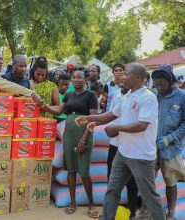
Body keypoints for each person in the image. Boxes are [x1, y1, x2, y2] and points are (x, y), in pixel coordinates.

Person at [75, 63, 166, 220]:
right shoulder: (126, 96)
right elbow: (111, 115)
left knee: (149, 196)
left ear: (137, 77)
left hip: (141, 156)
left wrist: (117, 128)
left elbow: (142, 125)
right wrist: (89, 118)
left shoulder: (148, 98)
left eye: (126, 74)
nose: (122, 77)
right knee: (112, 190)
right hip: (123, 153)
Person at [41, 68, 99, 218]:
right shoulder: (68, 94)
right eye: (74, 77)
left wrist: (84, 138)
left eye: (79, 77)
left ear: (85, 79)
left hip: (83, 134)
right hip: (69, 135)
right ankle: (73, 203)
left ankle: (91, 205)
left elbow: (93, 120)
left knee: (84, 171)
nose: (75, 79)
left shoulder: (91, 95)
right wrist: (45, 106)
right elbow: (59, 112)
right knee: (71, 169)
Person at [91, 81, 139, 219]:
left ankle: (133, 213)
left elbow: (139, 124)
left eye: (126, 81)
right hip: (115, 143)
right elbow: (110, 115)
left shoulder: (142, 99)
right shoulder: (118, 95)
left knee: (132, 181)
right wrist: (93, 121)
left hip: (131, 145)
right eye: (121, 82)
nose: (122, 83)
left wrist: (118, 130)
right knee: (111, 179)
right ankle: (108, 214)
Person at [152, 64, 185, 219]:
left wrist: (169, 138)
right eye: (156, 84)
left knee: (170, 180)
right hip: (151, 146)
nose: (159, 87)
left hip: (170, 147)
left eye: (162, 84)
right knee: (148, 179)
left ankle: (170, 212)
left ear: (171, 81)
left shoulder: (182, 96)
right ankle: (148, 209)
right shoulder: (154, 94)